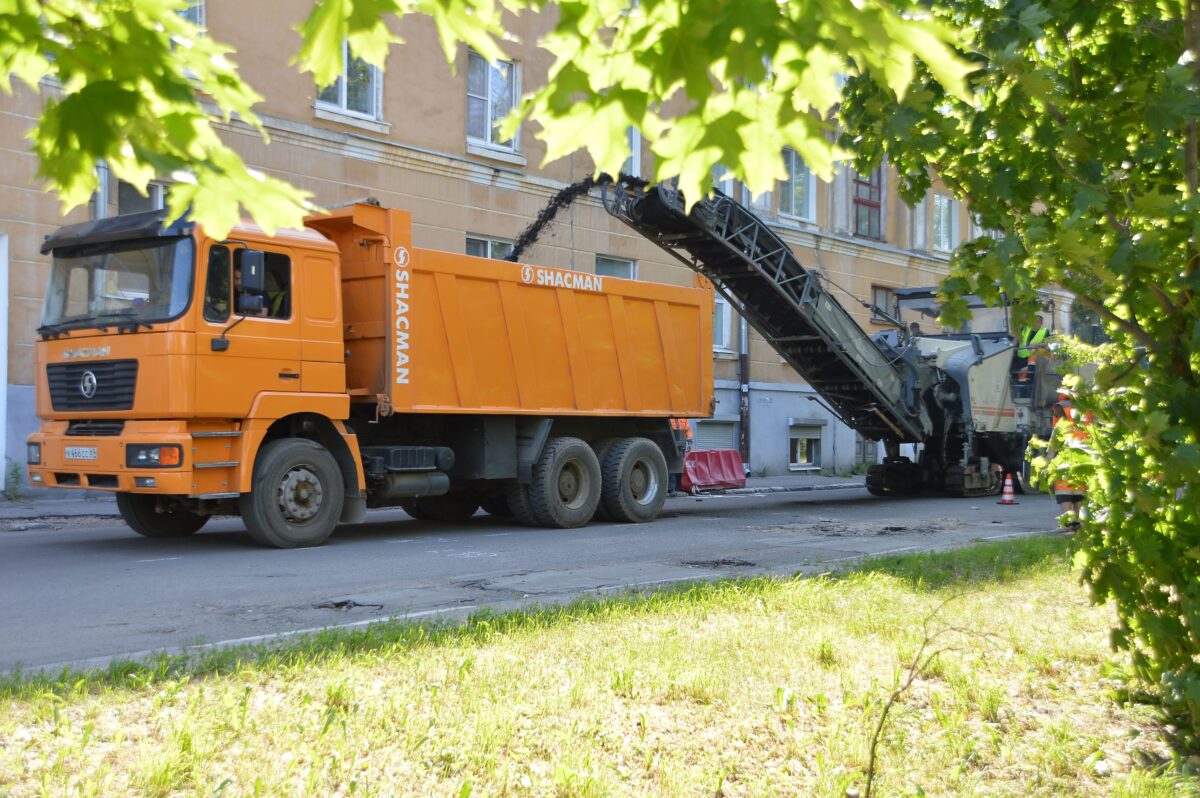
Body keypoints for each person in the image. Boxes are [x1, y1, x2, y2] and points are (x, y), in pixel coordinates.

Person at [1048, 393, 1088, 531]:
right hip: (1083, 456)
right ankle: (1077, 522)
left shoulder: (1059, 407)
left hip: (1065, 456)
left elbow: (1056, 435)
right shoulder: (1087, 408)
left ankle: (1067, 524)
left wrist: (1050, 459)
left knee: (1064, 491)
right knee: (1080, 492)